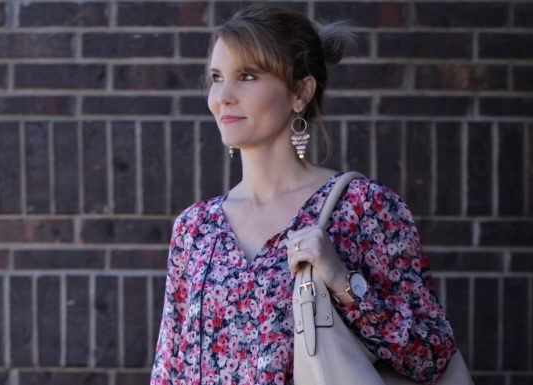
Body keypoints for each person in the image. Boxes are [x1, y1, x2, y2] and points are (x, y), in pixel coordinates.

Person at [151, 4, 457, 385]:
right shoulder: (195, 229)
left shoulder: (363, 207)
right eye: (217, 77)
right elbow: (168, 370)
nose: (223, 95)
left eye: (246, 76)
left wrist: (345, 284)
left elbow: (432, 355)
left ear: (300, 92)